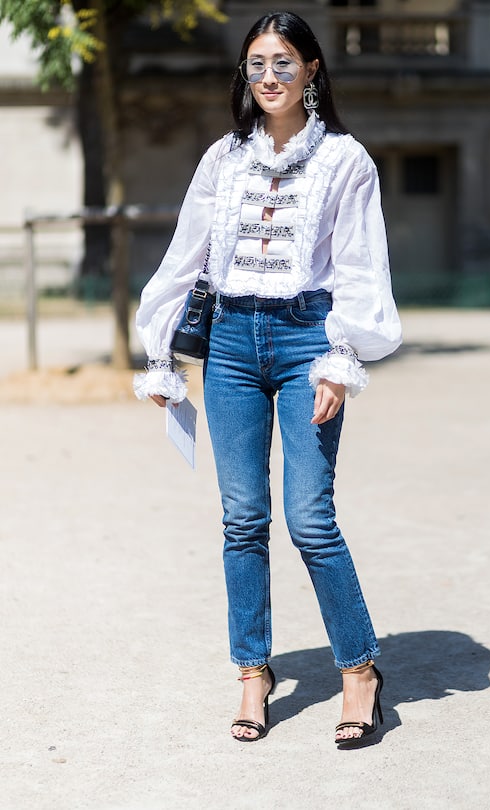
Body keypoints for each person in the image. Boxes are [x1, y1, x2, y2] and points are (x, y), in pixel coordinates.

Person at [134, 11, 402, 747]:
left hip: (305, 338)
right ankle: (253, 673)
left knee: (311, 519)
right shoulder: (223, 158)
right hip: (228, 345)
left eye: (284, 63)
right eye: (257, 65)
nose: (269, 78)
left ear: (312, 69)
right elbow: (188, 253)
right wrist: (161, 352)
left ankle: (360, 671)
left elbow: (359, 265)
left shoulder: (347, 161)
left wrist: (340, 362)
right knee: (242, 518)